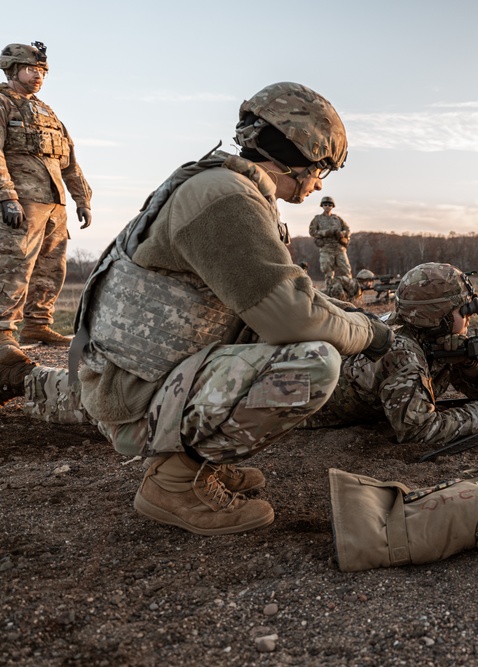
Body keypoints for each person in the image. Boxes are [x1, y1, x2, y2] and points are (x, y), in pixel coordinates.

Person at [41, 82, 392, 537]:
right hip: (131, 402)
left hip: (142, 381)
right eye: (321, 167)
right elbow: (292, 317)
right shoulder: (227, 198)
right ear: (298, 154)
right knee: (310, 363)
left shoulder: (226, 187)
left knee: (307, 338)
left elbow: (288, 291)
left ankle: (194, 462)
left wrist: (359, 318)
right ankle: (173, 482)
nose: (320, 182)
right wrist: (370, 335)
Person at [303, 262, 478, 444]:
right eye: (464, 309)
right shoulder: (402, 353)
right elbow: (419, 430)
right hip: (304, 410)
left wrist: (469, 363)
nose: (470, 316)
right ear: (437, 316)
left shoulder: (423, 331)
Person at [0, 42, 92, 352]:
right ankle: (3, 332)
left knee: (52, 267)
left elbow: (69, 160)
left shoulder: (47, 112)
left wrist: (82, 199)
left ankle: (38, 326)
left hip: (54, 203)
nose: (38, 76)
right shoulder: (3, 104)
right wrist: (7, 197)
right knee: (15, 265)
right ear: (13, 70)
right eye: (31, 69)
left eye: (42, 71)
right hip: (22, 203)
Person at [309, 195, 352, 297]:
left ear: (332, 206)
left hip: (339, 248)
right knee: (328, 273)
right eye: (325, 205)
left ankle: (350, 294)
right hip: (326, 248)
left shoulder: (337, 219)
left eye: (329, 205)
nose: (327, 206)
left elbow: (348, 230)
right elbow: (312, 231)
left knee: (346, 271)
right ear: (322, 206)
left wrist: (342, 233)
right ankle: (330, 295)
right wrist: (326, 232)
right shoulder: (317, 219)